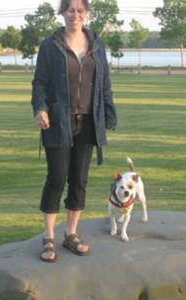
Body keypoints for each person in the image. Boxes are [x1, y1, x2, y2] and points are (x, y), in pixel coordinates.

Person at [31, 0, 117, 263]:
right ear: (63, 13)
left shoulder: (97, 45)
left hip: (88, 122)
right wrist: (40, 109)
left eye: (80, 10)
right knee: (57, 178)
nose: (75, 15)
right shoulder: (50, 45)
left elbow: (104, 82)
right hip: (58, 122)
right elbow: (40, 82)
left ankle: (70, 234)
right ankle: (48, 237)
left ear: (87, 14)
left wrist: (110, 111)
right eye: (70, 10)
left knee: (79, 179)